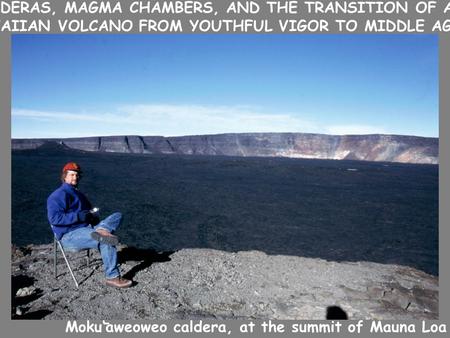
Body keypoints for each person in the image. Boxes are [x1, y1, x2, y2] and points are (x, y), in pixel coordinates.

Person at [47, 162, 132, 288]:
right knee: (107, 240)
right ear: (64, 176)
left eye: (77, 175)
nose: (75, 177)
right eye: (71, 175)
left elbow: (88, 211)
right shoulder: (58, 195)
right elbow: (54, 219)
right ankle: (112, 277)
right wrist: (78, 216)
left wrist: (91, 217)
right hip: (69, 236)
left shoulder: (79, 195)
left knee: (117, 215)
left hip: (87, 228)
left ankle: (102, 229)